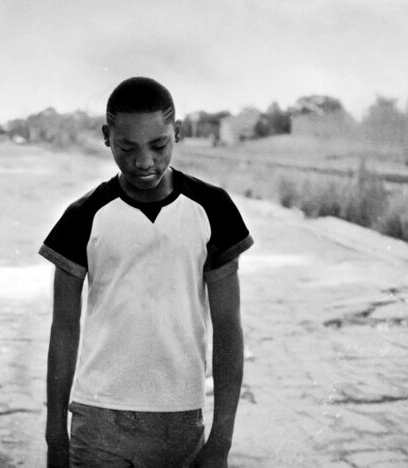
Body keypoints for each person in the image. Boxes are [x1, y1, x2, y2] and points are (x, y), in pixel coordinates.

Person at [40, 77, 253, 468]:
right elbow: (64, 329)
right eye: (127, 148)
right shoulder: (83, 216)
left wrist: (221, 440)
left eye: (159, 145)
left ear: (178, 132)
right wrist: (55, 436)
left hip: (180, 419)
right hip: (97, 417)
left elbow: (228, 328)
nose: (144, 161)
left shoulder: (212, 208)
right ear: (107, 137)